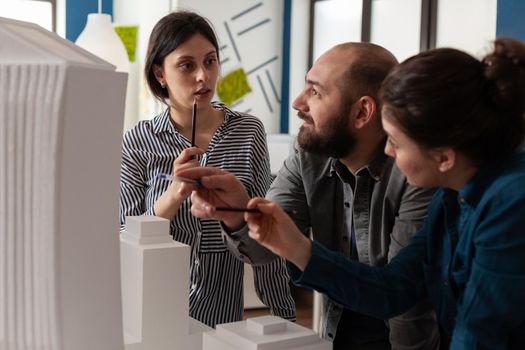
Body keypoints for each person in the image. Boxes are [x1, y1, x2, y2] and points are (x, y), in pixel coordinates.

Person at [228, 38, 525, 349]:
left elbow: (479, 335)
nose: (387, 150)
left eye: (396, 141)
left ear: (443, 157)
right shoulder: (450, 196)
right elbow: (393, 289)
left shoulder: (510, 204)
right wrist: (297, 248)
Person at [178, 43, 440, 349]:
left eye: (315, 92)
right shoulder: (309, 153)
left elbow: (397, 298)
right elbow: (266, 249)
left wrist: (300, 249)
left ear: (362, 112)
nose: (297, 102)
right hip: (336, 335)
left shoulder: (417, 172)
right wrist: (238, 215)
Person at [118, 10, 295, 328]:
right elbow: (122, 237)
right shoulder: (137, 140)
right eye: (187, 65)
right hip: (154, 312)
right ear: (160, 74)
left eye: (210, 61)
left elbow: (264, 231)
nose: (203, 76)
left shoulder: (248, 131)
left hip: (223, 319)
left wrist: (283, 314)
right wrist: (172, 196)